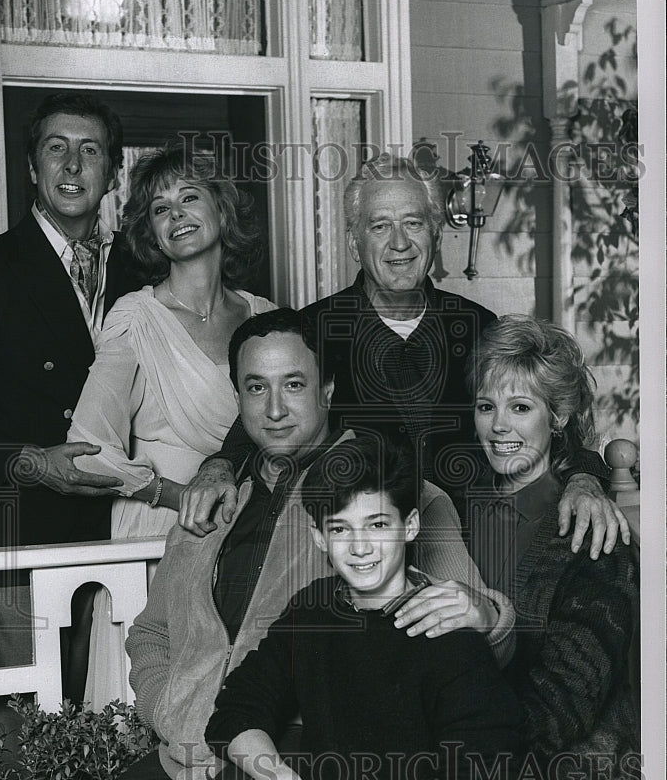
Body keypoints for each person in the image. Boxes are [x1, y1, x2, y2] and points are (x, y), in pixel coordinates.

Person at [29, 308, 515, 780]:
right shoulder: (215, 500)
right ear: (238, 398)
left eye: (294, 384)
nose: (276, 407)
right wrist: (172, 712)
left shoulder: (376, 493)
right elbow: (149, 633)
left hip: (308, 751)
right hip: (189, 749)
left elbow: (469, 615)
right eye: (256, 387)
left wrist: (488, 614)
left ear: (328, 390)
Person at [179, 152, 629, 569]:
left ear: (434, 233)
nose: (400, 243)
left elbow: (552, 422)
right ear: (355, 244)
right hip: (351, 565)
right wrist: (217, 468)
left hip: (479, 558)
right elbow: (264, 417)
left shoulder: (478, 327)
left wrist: (585, 479)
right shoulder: (312, 332)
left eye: (413, 223)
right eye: (379, 226)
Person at [203, 435, 525, 780]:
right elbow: (234, 710)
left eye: (377, 525)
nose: (359, 548)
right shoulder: (313, 612)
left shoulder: (448, 634)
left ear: (411, 526)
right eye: (340, 528)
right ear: (317, 536)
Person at [65, 144, 277, 708]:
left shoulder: (264, 315)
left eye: (189, 197)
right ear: (150, 233)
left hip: (243, 531)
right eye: (160, 208)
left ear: (221, 209)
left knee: (235, 706)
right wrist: (178, 493)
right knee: (152, 704)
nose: (177, 214)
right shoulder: (137, 317)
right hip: (155, 536)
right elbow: (88, 451)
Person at [0, 91, 141, 714]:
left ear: (112, 172)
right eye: (55, 149)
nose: (71, 166)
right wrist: (31, 459)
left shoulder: (138, 275)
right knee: (21, 721)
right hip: (18, 524)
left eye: (90, 152)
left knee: (104, 713)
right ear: (31, 167)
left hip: (115, 526)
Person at [465, 315, 640, 780]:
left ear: (558, 417)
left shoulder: (595, 534)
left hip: (558, 776)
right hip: (468, 752)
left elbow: (567, 699)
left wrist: (459, 741)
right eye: (487, 407)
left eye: (520, 408)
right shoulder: (454, 519)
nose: (499, 427)